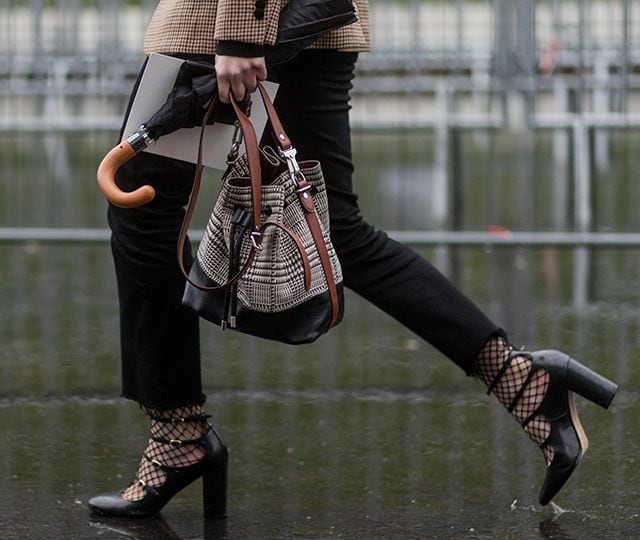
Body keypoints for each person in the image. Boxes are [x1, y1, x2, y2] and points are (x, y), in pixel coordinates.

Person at [88, 0, 617, 519]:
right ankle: (523, 381)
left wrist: (240, 33)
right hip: (311, 17)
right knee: (336, 229)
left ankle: (179, 434)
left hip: (232, 25)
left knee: (143, 214)